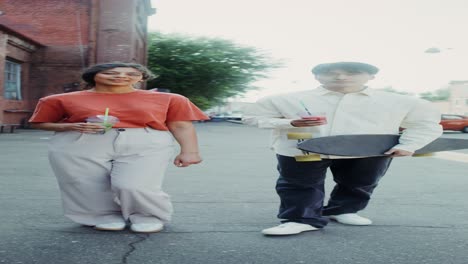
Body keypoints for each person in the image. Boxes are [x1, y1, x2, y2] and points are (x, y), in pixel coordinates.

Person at [243, 61, 442, 236]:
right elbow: (250, 117)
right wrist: (289, 123)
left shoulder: (400, 101)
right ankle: (300, 219)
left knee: (361, 182)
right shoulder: (285, 99)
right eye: (331, 72)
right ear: (316, 76)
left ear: (371, 76)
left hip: (368, 148)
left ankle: (343, 210)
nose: (340, 76)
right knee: (300, 183)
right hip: (303, 145)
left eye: (351, 72)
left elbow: (426, 124)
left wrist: (409, 145)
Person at [29, 62, 209, 233]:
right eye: (110, 73)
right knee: (85, 182)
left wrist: (190, 152)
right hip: (81, 139)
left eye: (132, 74)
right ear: (93, 76)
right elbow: (40, 123)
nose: (121, 77)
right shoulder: (58, 100)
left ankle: (148, 215)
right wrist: (71, 126)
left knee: (135, 184)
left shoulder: (170, 99)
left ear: (141, 78)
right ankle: (102, 215)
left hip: (145, 140)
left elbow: (181, 125)